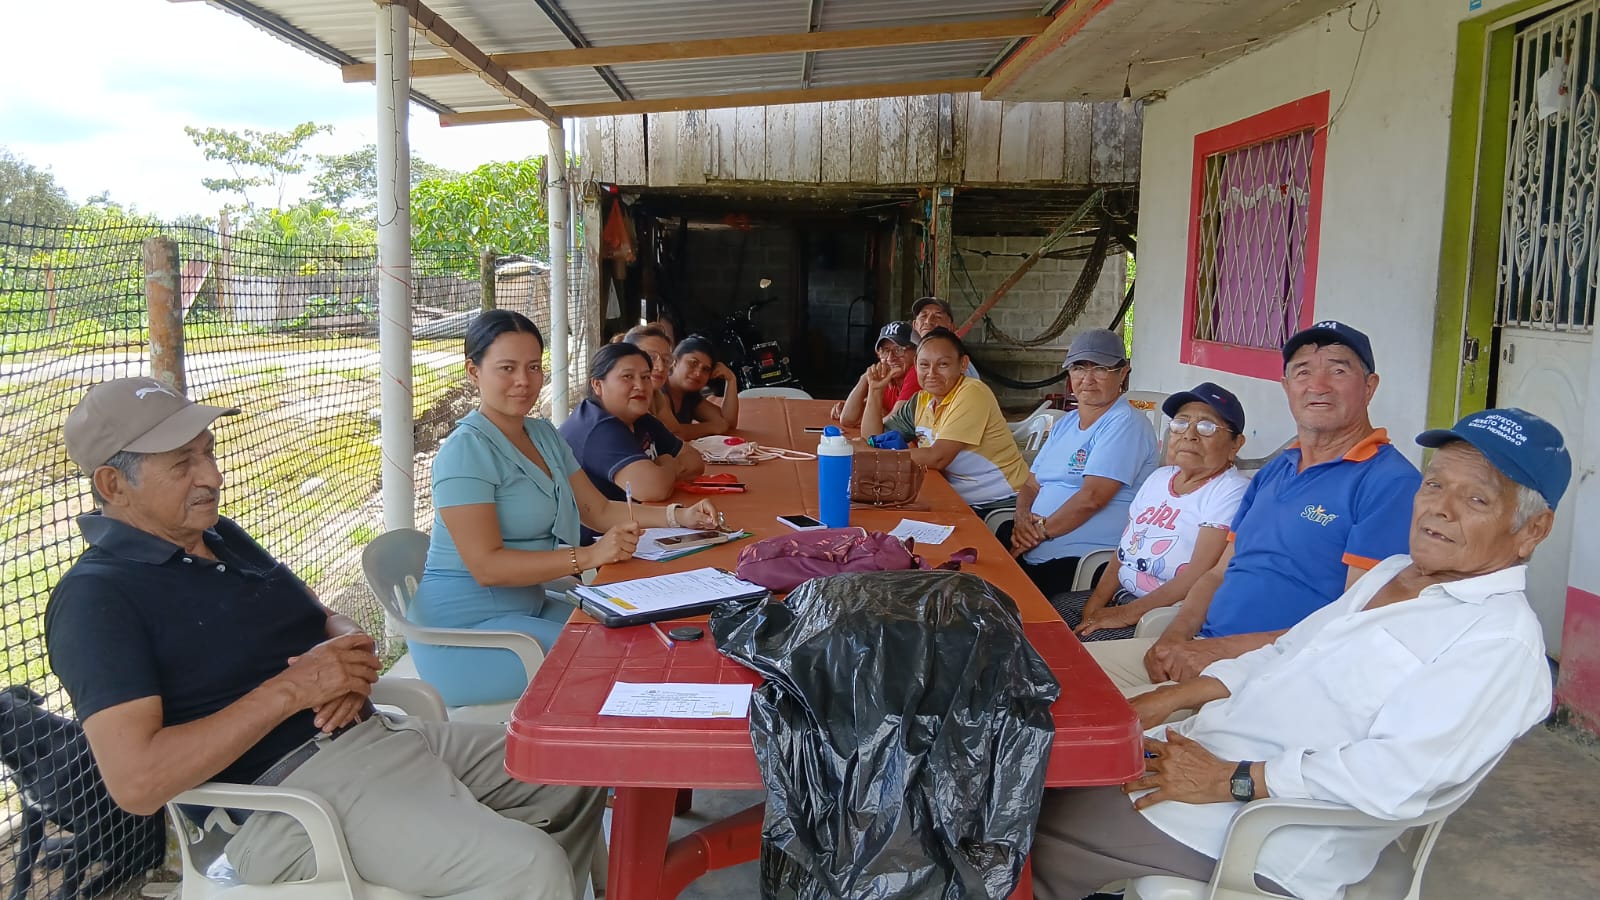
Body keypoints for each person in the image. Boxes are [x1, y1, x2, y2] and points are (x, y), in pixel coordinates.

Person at [44, 377, 605, 900]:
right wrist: (294, 689)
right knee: (529, 866)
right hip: (290, 799)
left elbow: (319, 614)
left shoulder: (218, 535)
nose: (212, 476)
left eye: (208, 452)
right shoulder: (96, 598)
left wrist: (349, 646)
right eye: (182, 464)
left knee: (575, 769)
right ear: (113, 484)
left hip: (380, 737)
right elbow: (138, 782)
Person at [1032, 408, 1568, 900]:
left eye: (1476, 500)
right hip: (1204, 751)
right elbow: (1288, 650)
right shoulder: (1392, 572)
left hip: (1258, 825)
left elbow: (1394, 775)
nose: (1439, 509)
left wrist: (1233, 778)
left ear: (1532, 531)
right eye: (1434, 484)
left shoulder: (1499, 643)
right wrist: (1171, 697)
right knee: (1035, 769)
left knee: (1027, 827)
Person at [1087, 321, 1422, 700]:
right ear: (1287, 387)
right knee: (1059, 676)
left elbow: (1352, 623)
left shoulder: (1390, 483)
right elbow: (1217, 573)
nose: (1318, 385)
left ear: (1370, 386)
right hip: (1200, 646)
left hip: (1279, 675)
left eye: (1338, 370)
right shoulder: (1276, 471)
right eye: (1303, 371)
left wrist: (1215, 652)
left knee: (1092, 717)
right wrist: (1173, 637)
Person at [412, 311, 721, 706]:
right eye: (507, 368)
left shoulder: (541, 434)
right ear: (474, 371)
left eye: (533, 367)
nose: (524, 381)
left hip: (527, 607)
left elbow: (598, 510)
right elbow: (487, 566)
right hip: (467, 637)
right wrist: (589, 556)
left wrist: (679, 516)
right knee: (617, 664)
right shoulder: (465, 451)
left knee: (644, 639)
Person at [1056, 383, 1251, 642]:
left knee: (1083, 645)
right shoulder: (1160, 478)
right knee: (1053, 614)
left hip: (1164, 615)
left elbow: (1198, 574)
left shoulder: (1231, 490)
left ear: (1236, 444)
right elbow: (1123, 551)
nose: (1189, 435)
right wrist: (1094, 606)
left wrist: (1124, 614)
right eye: (1181, 423)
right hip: (1122, 596)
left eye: (1207, 427)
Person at [1005, 330, 1160, 596]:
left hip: (1082, 561)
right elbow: (1031, 484)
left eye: (1100, 368)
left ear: (1123, 372)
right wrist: (1021, 518)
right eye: (1078, 368)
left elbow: (1092, 498)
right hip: (1036, 544)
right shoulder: (1065, 423)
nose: (1087, 379)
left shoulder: (1125, 423)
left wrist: (1036, 533)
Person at [862, 327, 1028, 510]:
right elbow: (873, 438)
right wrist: (875, 390)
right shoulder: (921, 400)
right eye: (924, 365)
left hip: (1001, 503)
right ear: (916, 365)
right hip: (957, 499)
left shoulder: (973, 393)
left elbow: (938, 457)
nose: (931, 373)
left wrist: (874, 455)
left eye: (943, 364)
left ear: (963, 364)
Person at [561, 342, 707, 505]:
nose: (640, 386)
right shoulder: (597, 428)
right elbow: (654, 489)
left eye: (645, 377)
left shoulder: (638, 417)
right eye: (627, 377)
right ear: (597, 385)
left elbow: (695, 462)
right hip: (597, 523)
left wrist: (663, 470)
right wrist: (668, 462)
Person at [893, 297, 980, 403]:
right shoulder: (921, 358)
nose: (928, 321)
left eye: (938, 316)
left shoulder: (957, 361)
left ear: (951, 327)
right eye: (923, 316)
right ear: (915, 325)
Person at [829, 321, 915, 425]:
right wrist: (865, 377)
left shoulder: (916, 373)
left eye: (899, 349)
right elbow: (848, 419)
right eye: (885, 351)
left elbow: (893, 423)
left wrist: (871, 421)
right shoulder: (886, 378)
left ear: (917, 352)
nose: (890, 357)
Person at [660, 335, 741, 439]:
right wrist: (711, 427)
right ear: (674, 361)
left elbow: (727, 423)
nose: (698, 373)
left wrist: (731, 380)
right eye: (693, 363)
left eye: (705, 369)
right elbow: (671, 435)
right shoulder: (659, 391)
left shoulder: (689, 395)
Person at [622, 323, 680, 427]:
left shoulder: (656, 395)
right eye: (650, 357)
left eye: (666, 360)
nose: (661, 367)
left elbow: (674, 430)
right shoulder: (620, 398)